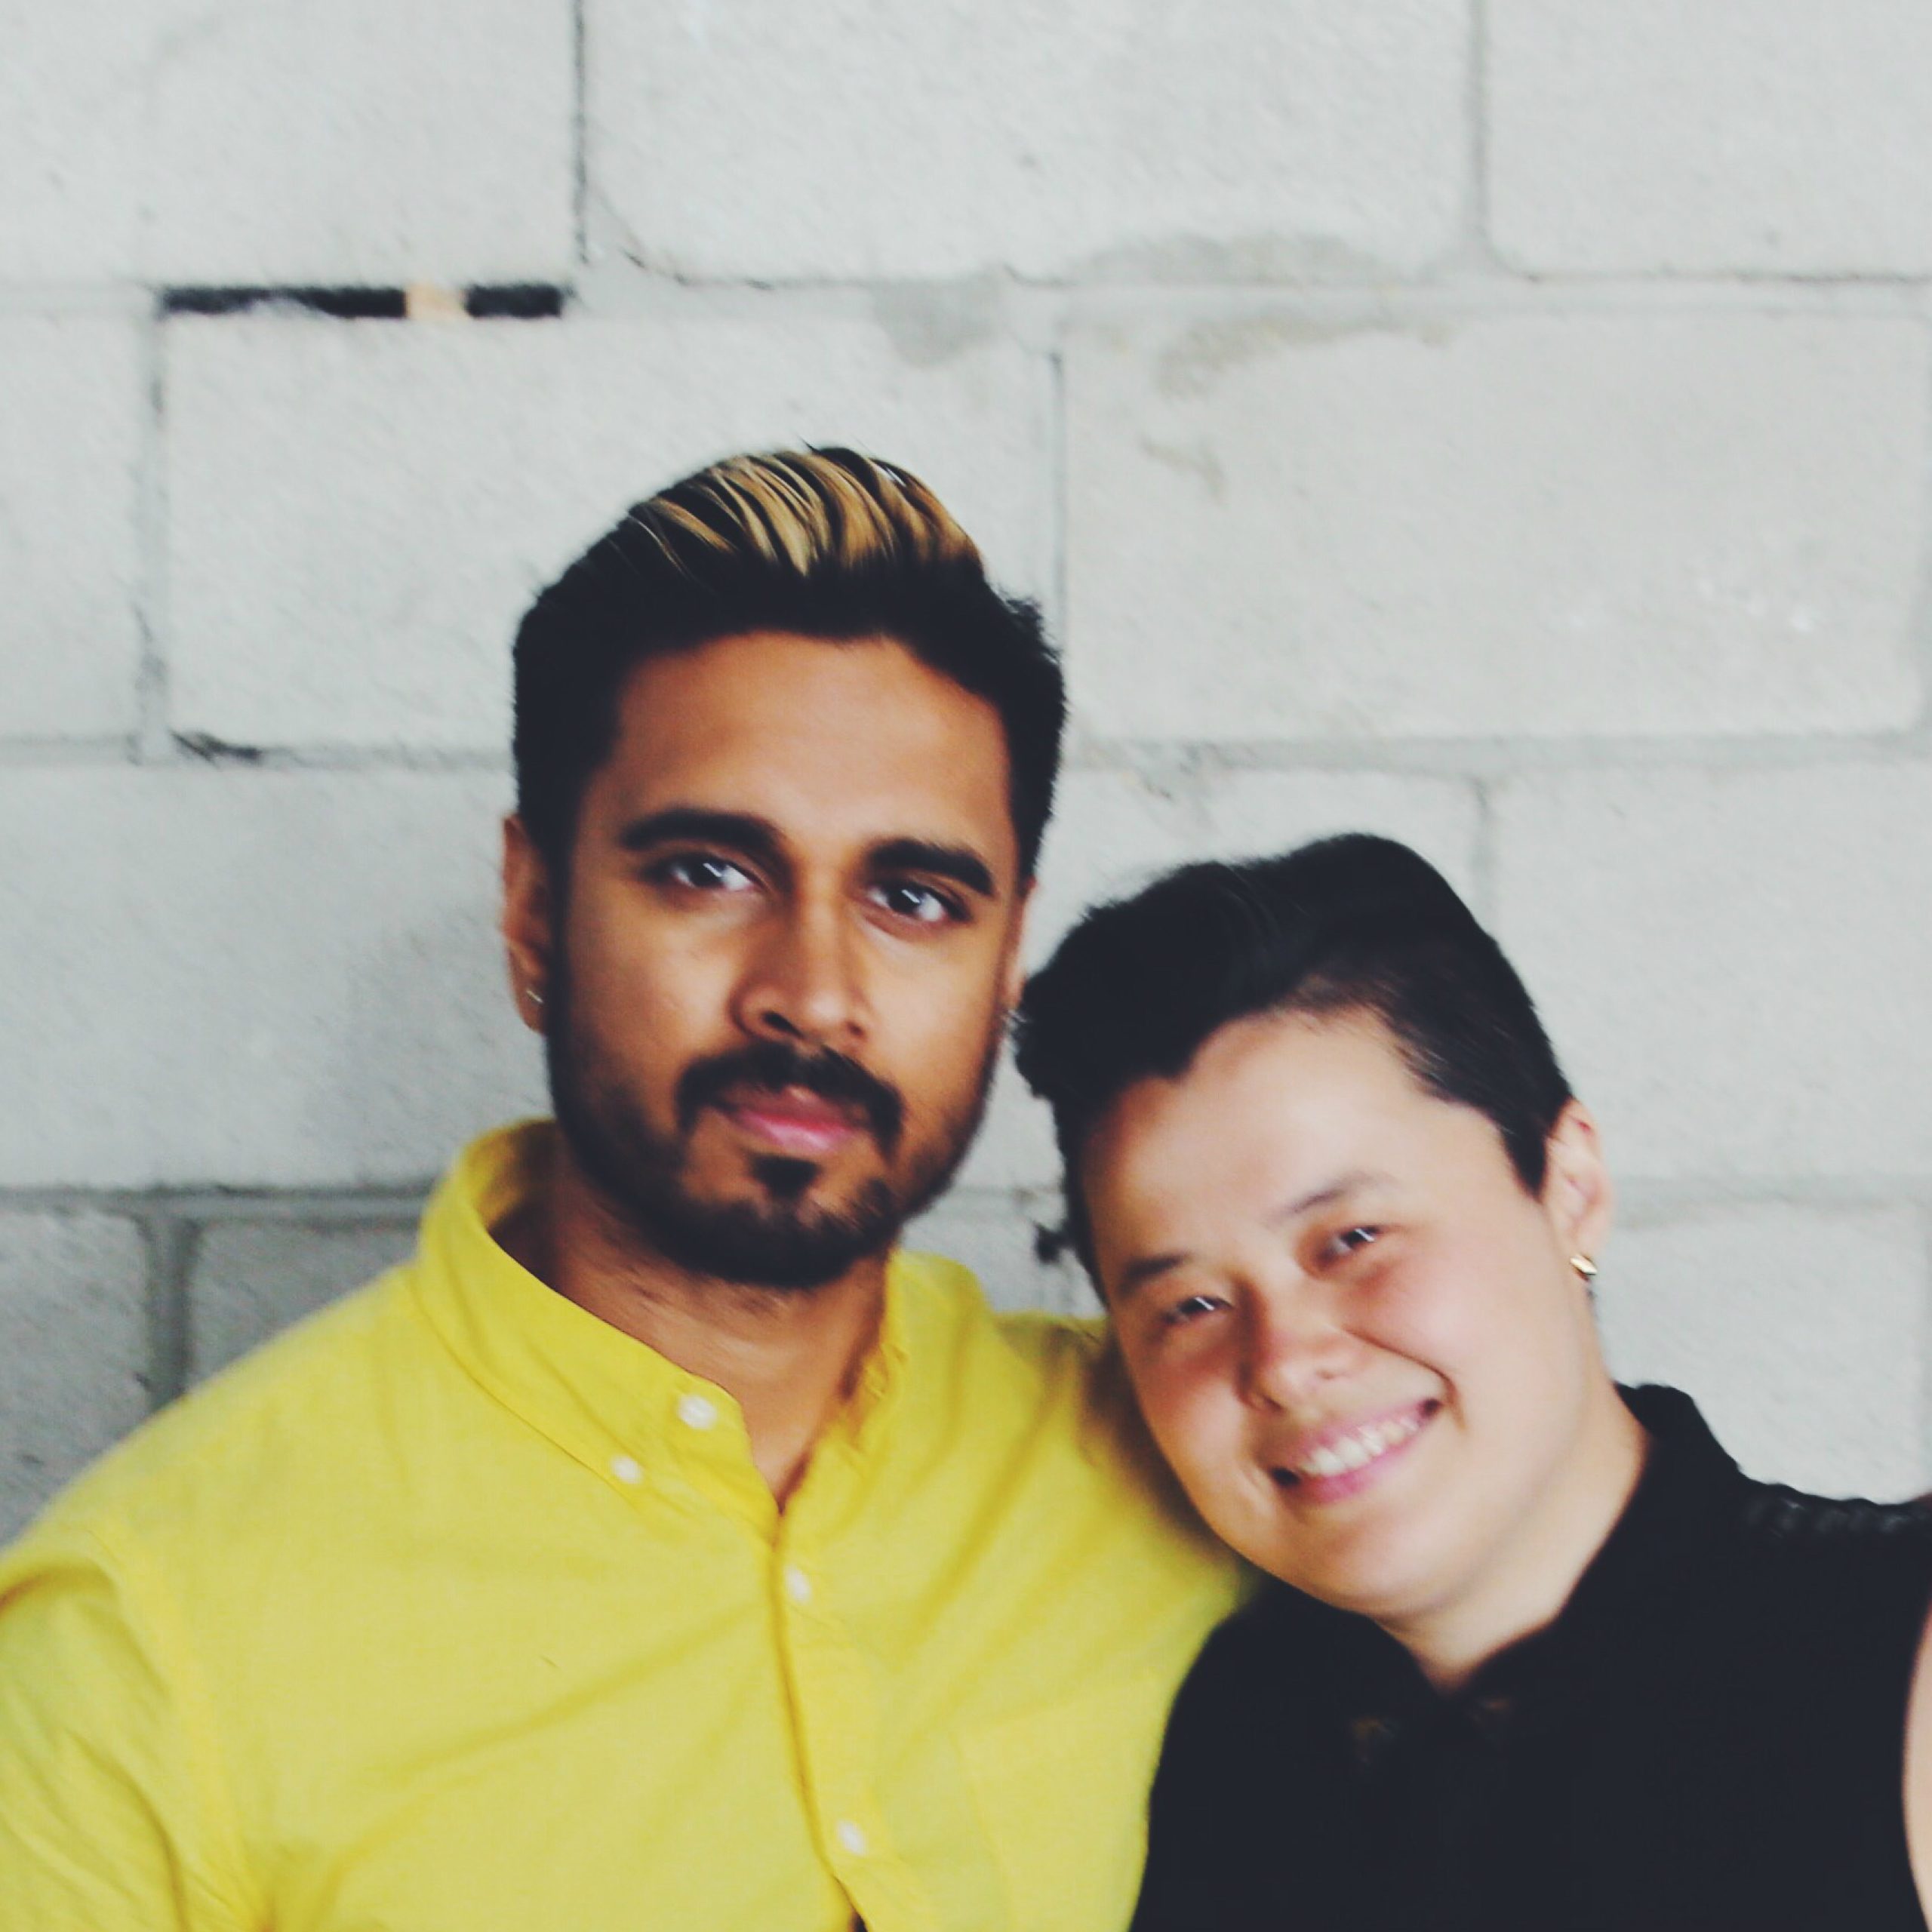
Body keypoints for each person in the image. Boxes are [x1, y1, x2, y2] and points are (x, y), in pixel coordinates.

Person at [0, 451, 1241, 1931]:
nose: (813, 992)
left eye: (913, 898)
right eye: (710, 871)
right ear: (533, 910)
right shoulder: (141, 1638)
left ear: (1007, 952)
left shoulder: (1198, 1458)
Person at [1014, 832, 1932, 1932]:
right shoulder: (1216, 1738)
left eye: (1353, 1238)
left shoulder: (1894, 1651)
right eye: (1190, 1306)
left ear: (1570, 1189)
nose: (1285, 1363)